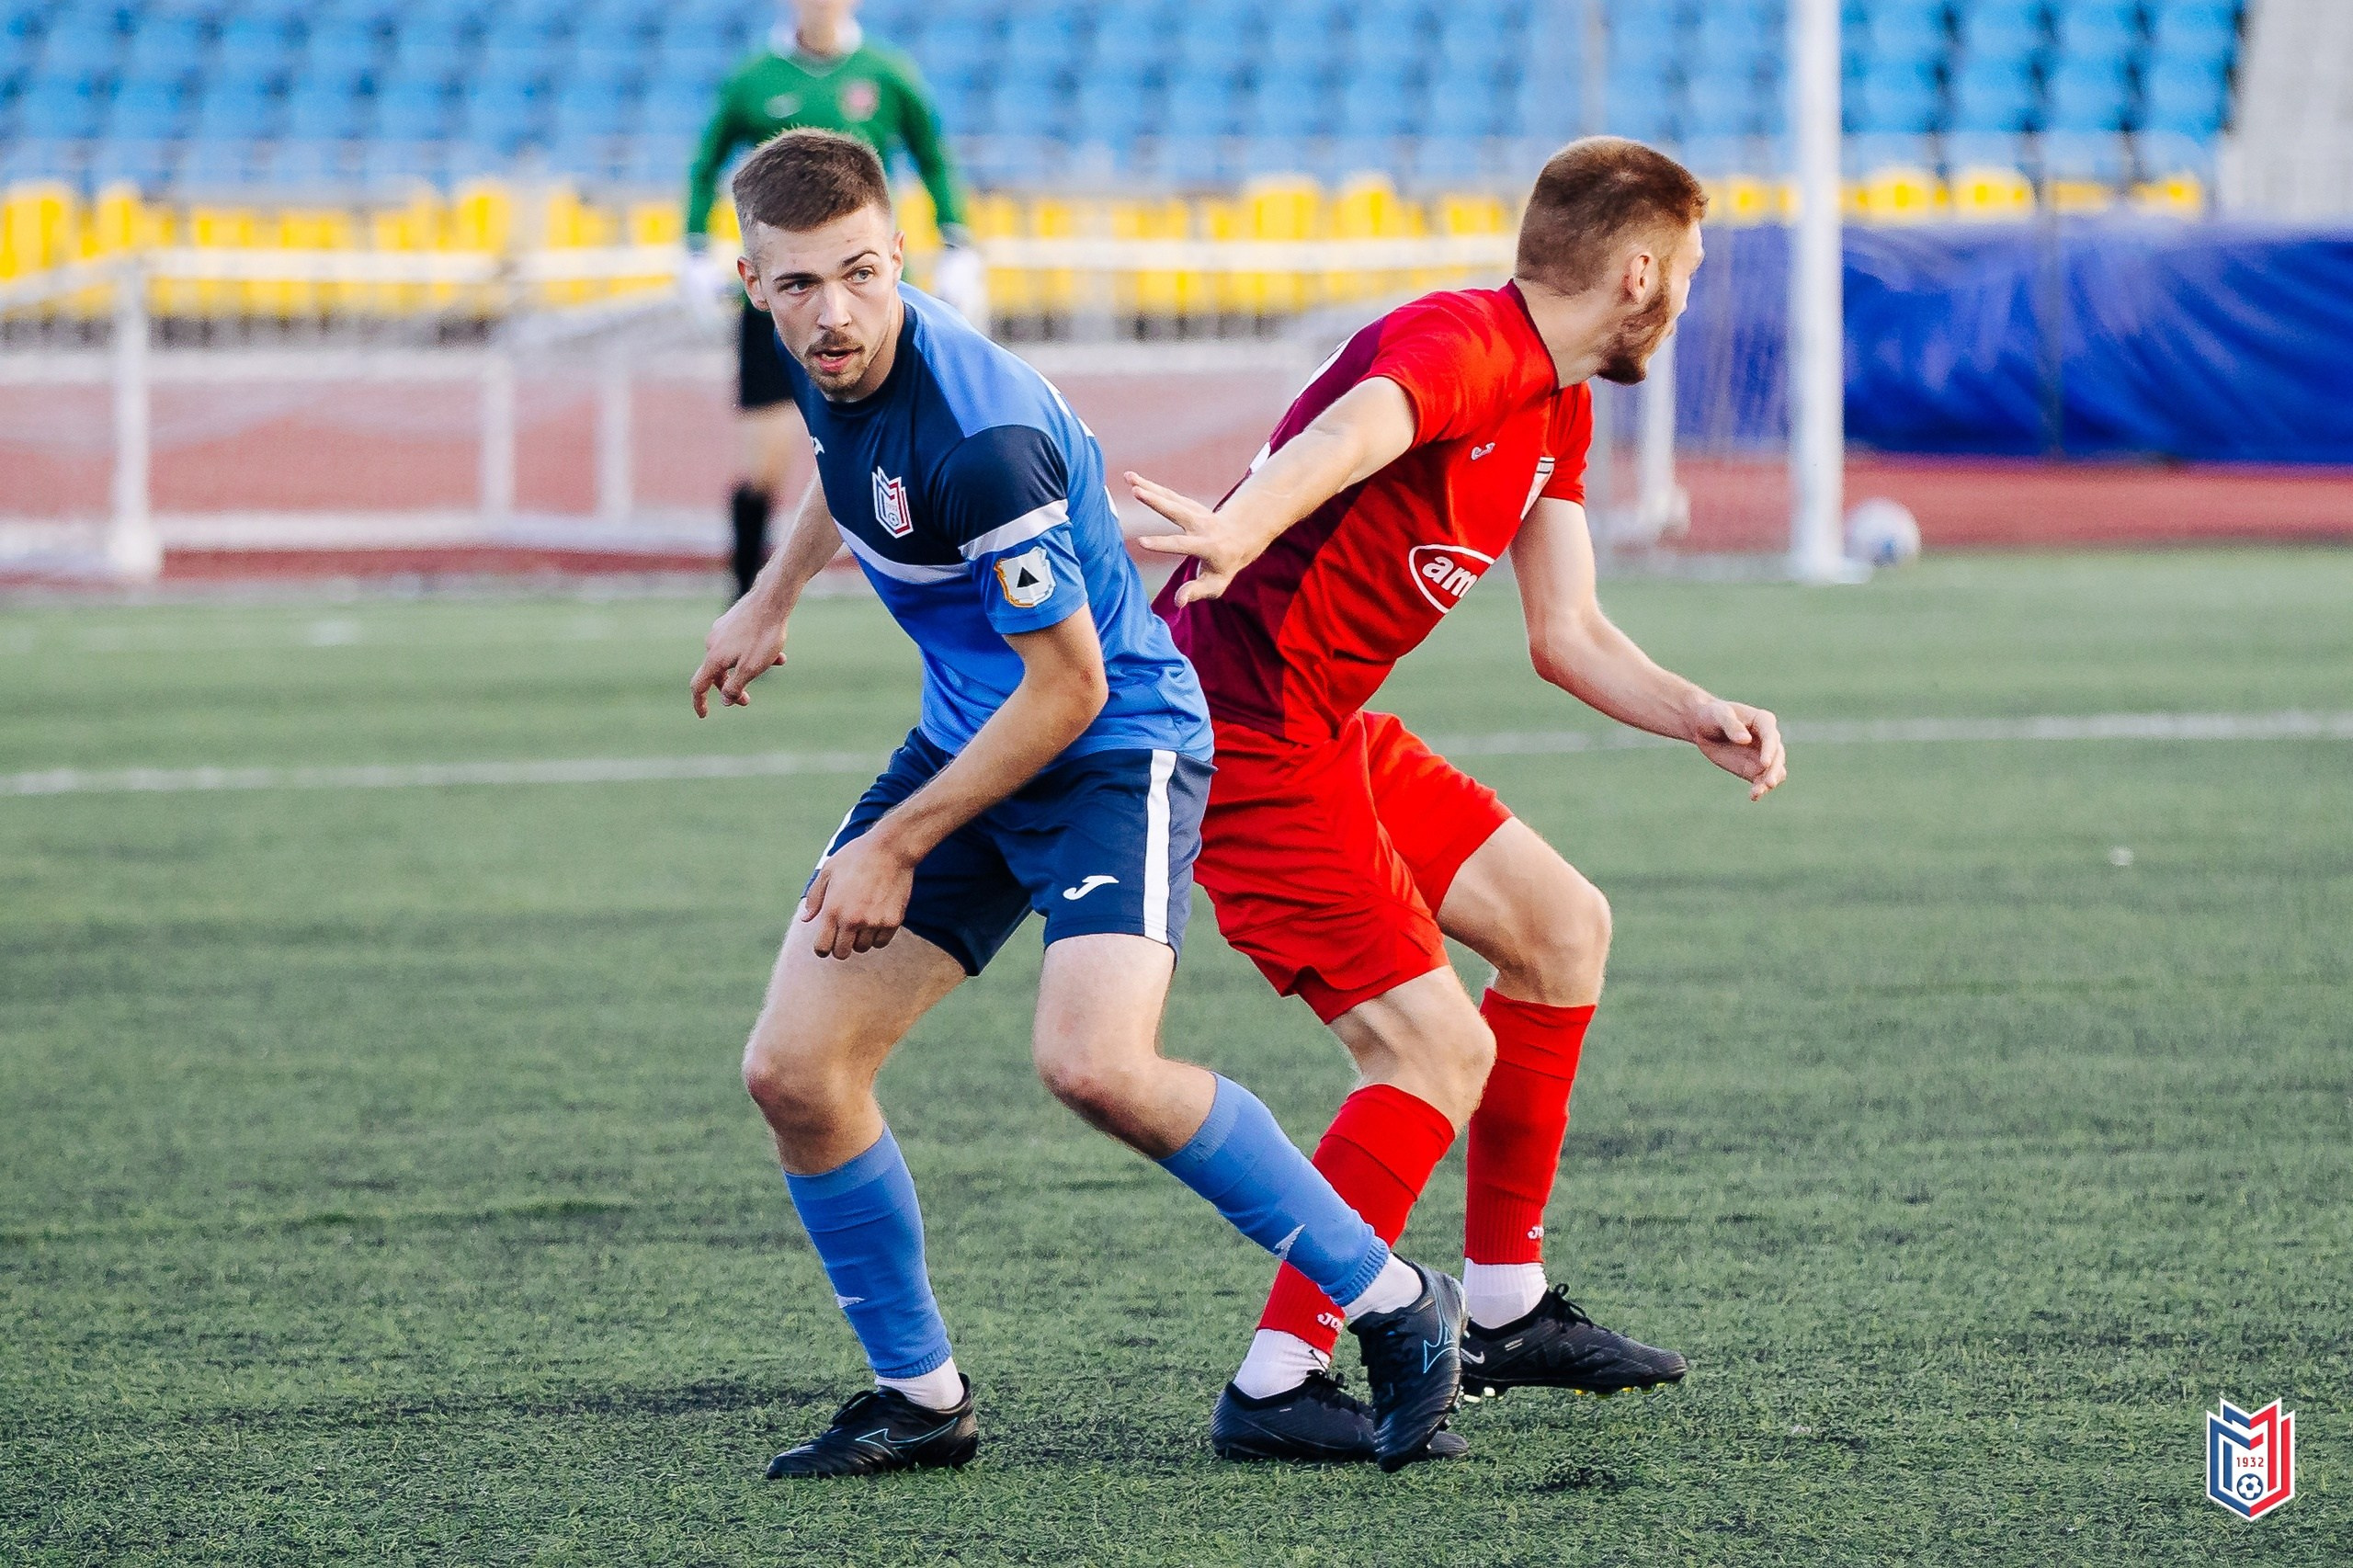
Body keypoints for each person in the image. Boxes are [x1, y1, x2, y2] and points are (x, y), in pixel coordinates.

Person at [688, 130, 1467, 1480]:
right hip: (967, 742)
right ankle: (920, 1397)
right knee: (796, 1072)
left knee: (1096, 1065)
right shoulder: (829, 354)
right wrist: (771, 592)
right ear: (753, 282)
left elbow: (1069, 690)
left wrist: (893, 837)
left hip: (1115, 746)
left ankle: (1396, 1297)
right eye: (800, 286)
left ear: (901, 258)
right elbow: (842, 463)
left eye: (862, 277)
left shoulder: (981, 437)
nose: (835, 312)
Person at [1125, 137, 1790, 1462]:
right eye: (1693, 271)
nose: (1692, 294)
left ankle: (1504, 1306)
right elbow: (1361, 424)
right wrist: (1250, 520)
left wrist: (1695, 709)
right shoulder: (1467, 345)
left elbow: (1570, 633)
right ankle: (1274, 1378)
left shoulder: (1559, 402)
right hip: (1241, 733)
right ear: (1642, 270)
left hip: (1327, 724)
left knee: (1561, 929)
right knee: (1433, 1049)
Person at [682, 0, 986, 600]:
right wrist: (692, 249)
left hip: (868, 303)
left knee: (905, 442)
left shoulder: (888, 73)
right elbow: (704, 166)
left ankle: (945, 587)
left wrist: (959, 244)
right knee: (764, 464)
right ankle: (747, 602)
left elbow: (933, 159)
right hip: (781, 302)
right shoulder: (753, 79)